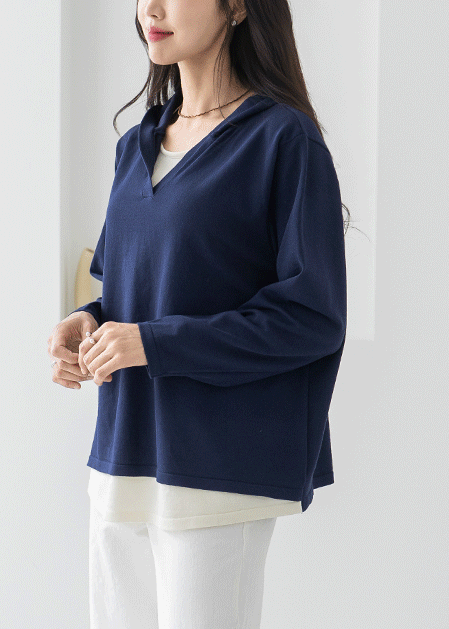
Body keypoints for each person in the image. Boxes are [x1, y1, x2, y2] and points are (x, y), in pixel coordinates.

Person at [47, 0, 349, 627]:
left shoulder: (282, 140)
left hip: (217, 466)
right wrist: (90, 321)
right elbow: (142, 292)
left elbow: (313, 316)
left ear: (237, 6)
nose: (150, 9)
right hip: (122, 456)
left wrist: (152, 343)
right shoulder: (136, 145)